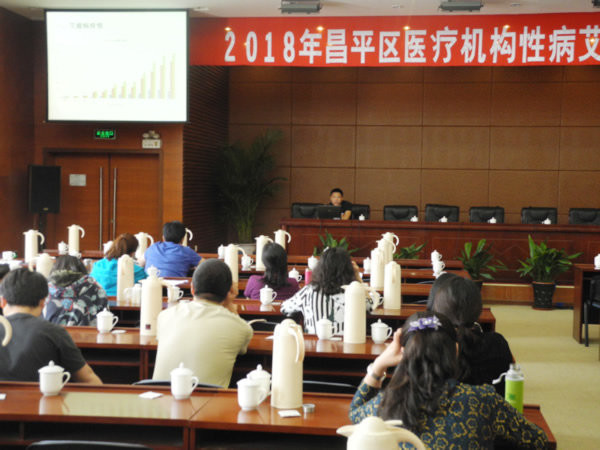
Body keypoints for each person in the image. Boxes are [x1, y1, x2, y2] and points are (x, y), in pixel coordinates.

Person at [349, 311, 548, 449]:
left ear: (404, 353)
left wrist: (379, 365)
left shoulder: (387, 403)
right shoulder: (482, 400)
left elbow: (355, 412)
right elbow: (538, 440)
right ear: (456, 349)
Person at [152, 259, 253, 388]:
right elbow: (242, 350)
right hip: (209, 400)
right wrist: (230, 305)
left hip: (159, 398)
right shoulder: (241, 328)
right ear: (230, 291)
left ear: (192, 289)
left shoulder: (164, 316)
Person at [0, 268, 102, 384]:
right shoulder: (54, 332)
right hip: (42, 395)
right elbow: (87, 378)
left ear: (2, 302)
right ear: (43, 302)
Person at [427, 272, 514, 395]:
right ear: (479, 310)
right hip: (490, 407)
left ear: (437, 309)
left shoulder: (429, 344)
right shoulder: (497, 343)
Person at [281, 247, 373, 335]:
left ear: (320, 268)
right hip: (347, 344)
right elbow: (370, 305)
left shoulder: (308, 291)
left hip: (314, 344)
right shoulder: (354, 293)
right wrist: (357, 277)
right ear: (349, 269)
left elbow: (284, 307)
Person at [43, 255, 108, 327]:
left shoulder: (44, 291)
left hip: (49, 333)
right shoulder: (96, 289)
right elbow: (106, 320)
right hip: (88, 333)